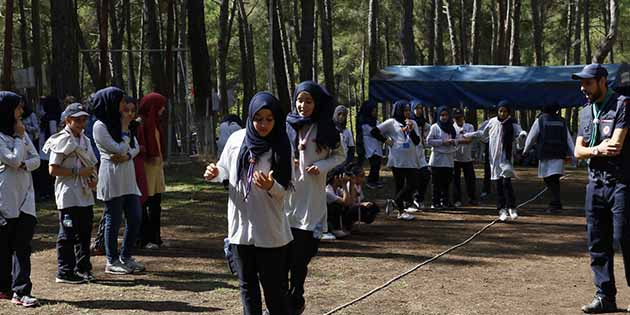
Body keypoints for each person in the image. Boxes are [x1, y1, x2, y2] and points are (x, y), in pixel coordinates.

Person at [204, 92, 293, 315]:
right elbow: (224, 168)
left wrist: (271, 186)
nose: (263, 124)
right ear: (250, 117)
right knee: (247, 288)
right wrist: (214, 172)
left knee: (274, 290)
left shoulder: (281, 144)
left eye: (269, 119)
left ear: (276, 120)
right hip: (240, 229)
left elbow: (286, 191)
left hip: (269, 230)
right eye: (258, 118)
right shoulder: (236, 140)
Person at [571, 64, 630, 313]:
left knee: (625, 238)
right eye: (582, 83)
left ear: (602, 81)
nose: (583, 88)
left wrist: (593, 150)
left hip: (621, 183)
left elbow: (615, 145)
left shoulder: (622, 104)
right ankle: (605, 296)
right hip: (595, 184)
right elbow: (577, 151)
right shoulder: (585, 112)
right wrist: (595, 149)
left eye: (588, 83)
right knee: (597, 242)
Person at [285, 81, 345, 314]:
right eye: (300, 100)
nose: (303, 105)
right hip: (287, 199)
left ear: (316, 103)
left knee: (302, 256)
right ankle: (282, 304)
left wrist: (321, 165)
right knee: (282, 257)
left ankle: (296, 297)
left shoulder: (326, 129)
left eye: (308, 101)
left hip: (311, 200)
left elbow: (341, 155)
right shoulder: (287, 126)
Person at [44, 103, 98, 284]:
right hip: (68, 195)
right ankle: (64, 271)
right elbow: (53, 169)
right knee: (67, 234)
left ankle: (83, 268)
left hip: (85, 194)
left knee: (84, 233)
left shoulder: (86, 140)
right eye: (77, 120)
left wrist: (93, 179)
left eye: (84, 119)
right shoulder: (60, 140)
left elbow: (91, 164)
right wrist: (76, 173)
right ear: (67, 120)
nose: (81, 123)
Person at [92, 87, 145, 275]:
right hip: (112, 177)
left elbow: (135, 147)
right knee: (113, 220)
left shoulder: (123, 123)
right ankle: (112, 260)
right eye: (121, 102)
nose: (124, 106)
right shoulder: (100, 125)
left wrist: (128, 155)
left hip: (128, 176)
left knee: (135, 217)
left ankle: (126, 256)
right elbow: (116, 148)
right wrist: (124, 134)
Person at [0, 92, 41, 307]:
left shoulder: (22, 133)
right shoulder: (6, 136)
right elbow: (13, 159)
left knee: (23, 246)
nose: (21, 112)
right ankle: (5, 288)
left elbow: (35, 159)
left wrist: (25, 164)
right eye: (18, 108)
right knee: (5, 247)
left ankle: (22, 290)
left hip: (25, 197)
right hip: (5, 199)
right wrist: (18, 139)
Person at [465, 100, 527, 221]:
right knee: (498, 184)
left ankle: (512, 207)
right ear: (498, 111)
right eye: (500, 111)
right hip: (493, 159)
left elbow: (520, 133)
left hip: (506, 158)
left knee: (506, 183)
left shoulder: (512, 123)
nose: (502, 113)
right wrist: (469, 135)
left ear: (508, 112)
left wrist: (522, 135)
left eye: (505, 111)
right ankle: (501, 209)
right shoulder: (492, 122)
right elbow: (482, 133)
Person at [371, 100, 421, 219]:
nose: (408, 113)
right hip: (397, 159)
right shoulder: (391, 122)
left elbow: (417, 141)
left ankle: (395, 201)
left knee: (414, 183)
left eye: (409, 110)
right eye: (405, 110)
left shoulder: (412, 122)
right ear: (399, 110)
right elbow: (374, 131)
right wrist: (386, 140)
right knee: (399, 184)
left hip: (411, 159)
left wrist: (411, 129)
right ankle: (401, 212)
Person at [522, 102, 575, 213]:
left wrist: (525, 150)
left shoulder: (540, 120)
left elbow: (531, 137)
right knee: (554, 179)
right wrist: (574, 154)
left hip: (546, 155)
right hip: (559, 155)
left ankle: (555, 204)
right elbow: (568, 139)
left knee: (549, 180)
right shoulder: (562, 121)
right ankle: (555, 203)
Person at [137, 93, 167, 249]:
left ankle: (155, 237)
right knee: (144, 205)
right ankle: (144, 238)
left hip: (156, 170)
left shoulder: (156, 123)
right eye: (160, 105)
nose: (163, 109)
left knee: (156, 205)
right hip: (145, 171)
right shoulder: (140, 124)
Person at [427, 106, 458, 209]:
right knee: (436, 183)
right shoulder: (435, 127)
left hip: (448, 159)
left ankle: (446, 201)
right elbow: (429, 141)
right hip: (437, 159)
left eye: (446, 115)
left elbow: (457, 140)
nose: (444, 117)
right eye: (442, 115)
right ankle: (435, 202)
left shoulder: (452, 127)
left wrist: (453, 142)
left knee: (447, 182)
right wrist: (442, 142)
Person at [36, 96, 62, 200]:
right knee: (49, 173)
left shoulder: (45, 118)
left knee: (44, 173)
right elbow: (54, 134)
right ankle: (49, 193)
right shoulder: (52, 119)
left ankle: (45, 193)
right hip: (50, 150)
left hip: (43, 149)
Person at [452, 108, 478, 207]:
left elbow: (469, 140)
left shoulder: (469, 126)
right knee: (456, 180)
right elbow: (451, 140)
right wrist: (460, 139)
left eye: (460, 117)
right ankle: (456, 199)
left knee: (470, 179)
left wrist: (457, 140)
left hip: (467, 157)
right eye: (457, 118)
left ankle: (472, 198)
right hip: (455, 157)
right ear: (454, 119)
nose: (459, 120)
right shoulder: (452, 127)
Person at [410, 100, 432, 209]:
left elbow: (428, 136)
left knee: (425, 175)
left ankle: (419, 198)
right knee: (412, 178)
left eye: (420, 108)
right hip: (409, 154)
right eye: (416, 108)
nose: (418, 111)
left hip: (420, 153)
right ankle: (409, 199)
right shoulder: (409, 122)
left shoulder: (425, 124)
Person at [358, 101, 384, 189]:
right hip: (369, 145)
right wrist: (384, 139)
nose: (374, 112)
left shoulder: (375, 122)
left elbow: (380, 130)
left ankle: (375, 180)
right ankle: (370, 181)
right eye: (372, 111)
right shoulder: (364, 123)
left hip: (376, 144)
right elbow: (374, 132)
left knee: (378, 163)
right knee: (374, 162)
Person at [478, 106, 497, 199]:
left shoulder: (500, 122)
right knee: (487, 170)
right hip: (489, 147)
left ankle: (500, 190)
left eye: (494, 113)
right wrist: (487, 140)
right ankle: (486, 190)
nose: (492, 115)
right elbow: (480, 134)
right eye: (491, 113)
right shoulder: (486, 123)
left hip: (498, 149)